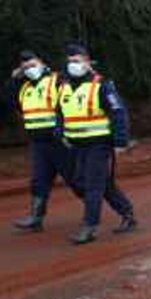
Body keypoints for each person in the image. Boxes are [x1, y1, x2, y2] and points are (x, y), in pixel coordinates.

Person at [59, 43, 137, 245]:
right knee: (81, 181)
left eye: (76, 61)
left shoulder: (100, 85)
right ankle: (127, 213)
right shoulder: (64, 86)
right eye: (69, 62)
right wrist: (62, 134)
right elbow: (60, 113)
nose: (72, 65)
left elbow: (118, 112)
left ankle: (89, 226)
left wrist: (120, 141)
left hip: (99, 144)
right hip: (77, 145)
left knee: (93, 184)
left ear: (87, 62)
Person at [7, 51, 74, 232]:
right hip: (38, 142)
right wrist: (14, 80)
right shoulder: (25, 88)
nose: (30, 69)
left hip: (59, 141)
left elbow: (71, 102)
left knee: (76, 179)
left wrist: (64, 131)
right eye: (25, 67)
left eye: (32, 64)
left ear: (41, 62)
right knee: (39, 180)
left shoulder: (56, 79)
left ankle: (106, 212)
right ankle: (36, 219)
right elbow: (10, 103)